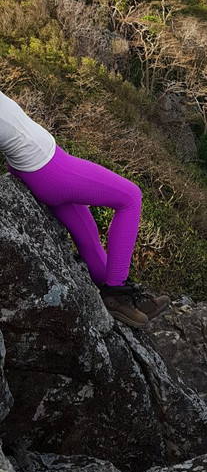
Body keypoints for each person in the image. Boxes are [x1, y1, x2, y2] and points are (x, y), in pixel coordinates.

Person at [0, 88, 169, 328]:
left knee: (89, 240)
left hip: (40, 167)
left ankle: (122, 295)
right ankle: (116, 294)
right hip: (51, 171)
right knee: (131, 197)